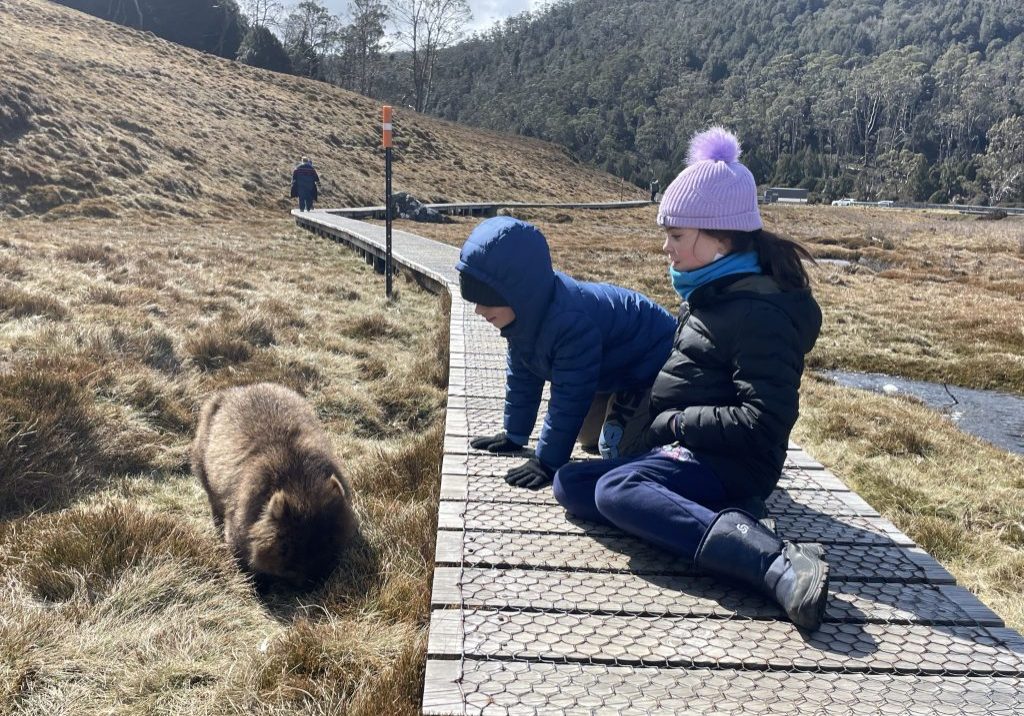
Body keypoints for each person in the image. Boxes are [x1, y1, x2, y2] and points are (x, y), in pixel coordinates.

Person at [552, 127, 828, 630]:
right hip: (690, 456)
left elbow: (763, 424)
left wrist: (676, 424)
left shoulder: (759, 313)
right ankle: (725, 517)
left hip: (732, 463)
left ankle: (775, 563)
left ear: (719, 238)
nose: (666, 247)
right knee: (571, 484)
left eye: (676, 235)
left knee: (616, 491)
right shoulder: (716, 295)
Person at [457, 217, 677, 488]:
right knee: (588, 439)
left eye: (487, 299)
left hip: (652, 361)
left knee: (616, 449)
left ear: (519, 292)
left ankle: (662, 421)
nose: (479, 310)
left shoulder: (569, 323)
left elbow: (571, 394)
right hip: (609, 365)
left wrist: (547, 462)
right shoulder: (525, 316)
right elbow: (523, 374)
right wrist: (515, 434)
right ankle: (622, 404)